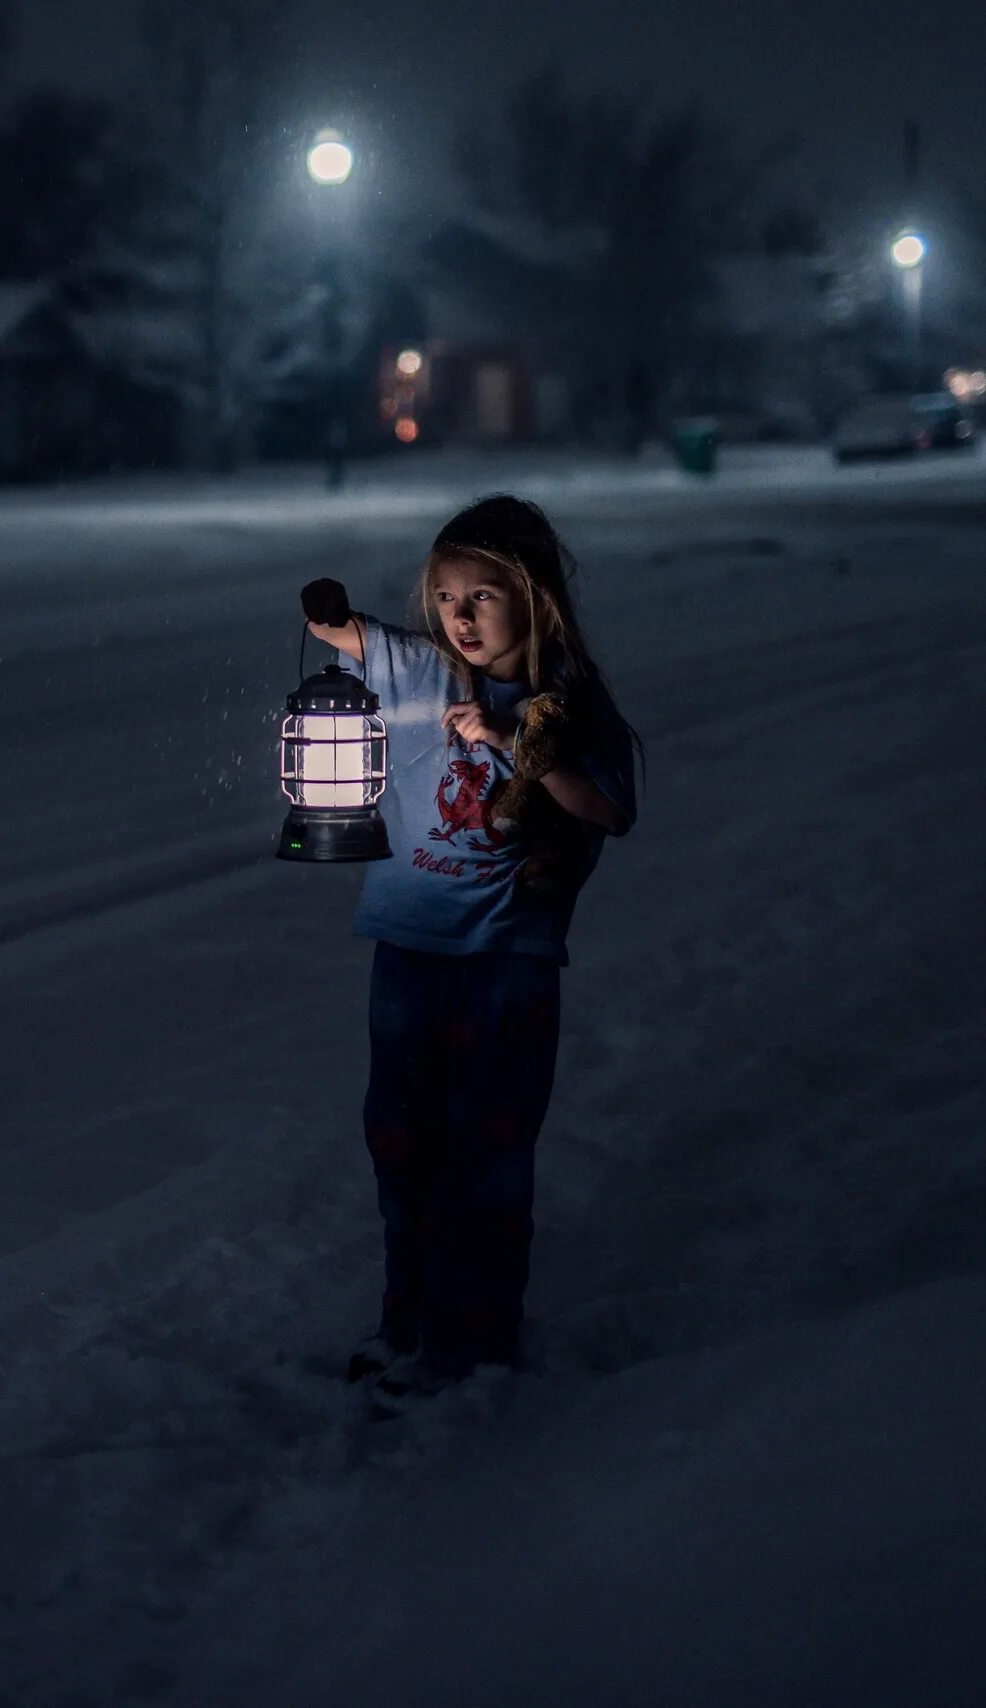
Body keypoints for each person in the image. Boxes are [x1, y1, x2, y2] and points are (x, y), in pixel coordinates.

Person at [299, 495, 639, 1401]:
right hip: (407, 951)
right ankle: (405, 1321)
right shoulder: (421, 673)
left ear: (535, 599)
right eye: (445, 594)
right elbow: (343, 636)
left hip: (507, 959)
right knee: (403, 1141)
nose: (459, 614)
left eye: (482, 595)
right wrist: (325, 613)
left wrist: (516, 741)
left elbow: (609, 809)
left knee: (487, 1151)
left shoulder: (570, 709)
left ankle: (478, 1341)